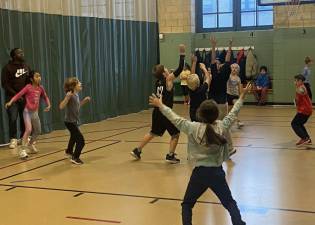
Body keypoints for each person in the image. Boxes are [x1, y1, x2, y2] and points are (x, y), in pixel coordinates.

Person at [149, 83, 252, 225]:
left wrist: (160, 105)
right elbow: (234, 111)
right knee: (229, 203)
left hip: (199, 174)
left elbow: (174, 118)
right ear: (216, 115)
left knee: (187, 204)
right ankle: (238, 223)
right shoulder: (222, 126)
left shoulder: (192, 127)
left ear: (200, 114)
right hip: (217, 173)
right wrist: (243, 95)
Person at [130, 44, 185, 163]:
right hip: (165, 112)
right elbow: (180, 68)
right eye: (165, 68)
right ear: (165, 74)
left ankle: (137, 150)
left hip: (157, 111)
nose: (166, 69)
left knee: (153, 132)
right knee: (175, 133)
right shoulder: (168, 80)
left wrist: (168, 75)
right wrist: (182, 54)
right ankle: (170, 155)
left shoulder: (158, 82)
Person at [5, 71, 51, 159]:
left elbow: (45, 97)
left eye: (40, 76)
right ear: (31, 79)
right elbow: (18, 95)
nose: (39, 78)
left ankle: (30, 145)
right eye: (37, 76)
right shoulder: (28, 87)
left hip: (35, 113)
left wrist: (48, 105)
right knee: (29, 129)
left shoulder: (41, 88)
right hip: (27, 112)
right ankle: (23, 150)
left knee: (38, 130)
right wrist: (10, 102)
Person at [1, 48, 30, 148]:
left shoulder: (26, 66)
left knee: (24, 118)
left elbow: (29, 81)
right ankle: (13, 139)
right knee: (13, 118)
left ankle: (23, 137)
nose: (22, 54)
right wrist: (17, 95)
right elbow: (5, 84)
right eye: (19, 53)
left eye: (22, 52)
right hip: (12, 98)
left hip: (24, 98)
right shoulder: (7, 68)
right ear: (14, 55)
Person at [59, 77, 91, 165]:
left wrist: (84, 101)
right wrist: (66, 98)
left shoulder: (76, 95)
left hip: (73, 122)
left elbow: (77, 107)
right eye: (78, 83)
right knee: (81, 141)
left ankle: (69, 151)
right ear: (73, 87)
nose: (80, 83)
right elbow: (61, 106)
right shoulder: (70, 95)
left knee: (73, 136)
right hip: (69, 122)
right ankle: (75, 157)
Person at [291, 74, 312, 146]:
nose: (294, 82)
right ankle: (307, 138)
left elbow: (303, 91)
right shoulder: (299, 87)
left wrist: (300, 91)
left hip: (304, 110)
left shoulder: (301, 87)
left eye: (296, 80)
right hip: (306, 110)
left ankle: (304, 138)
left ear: (300, 81)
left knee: (294, 124)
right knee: (299, 124)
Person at [227, 63, 243, 128]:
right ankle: (229, 123)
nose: (234, 69)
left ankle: (238, 121)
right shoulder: (228, 76)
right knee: (229, 111)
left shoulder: (238, 78)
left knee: (235, 110)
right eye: (233, 67)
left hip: (235, 95)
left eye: (236, 68)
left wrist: (240, 97)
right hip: (228, 95)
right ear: (230, 69)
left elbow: (240, 89)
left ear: (238, 70)